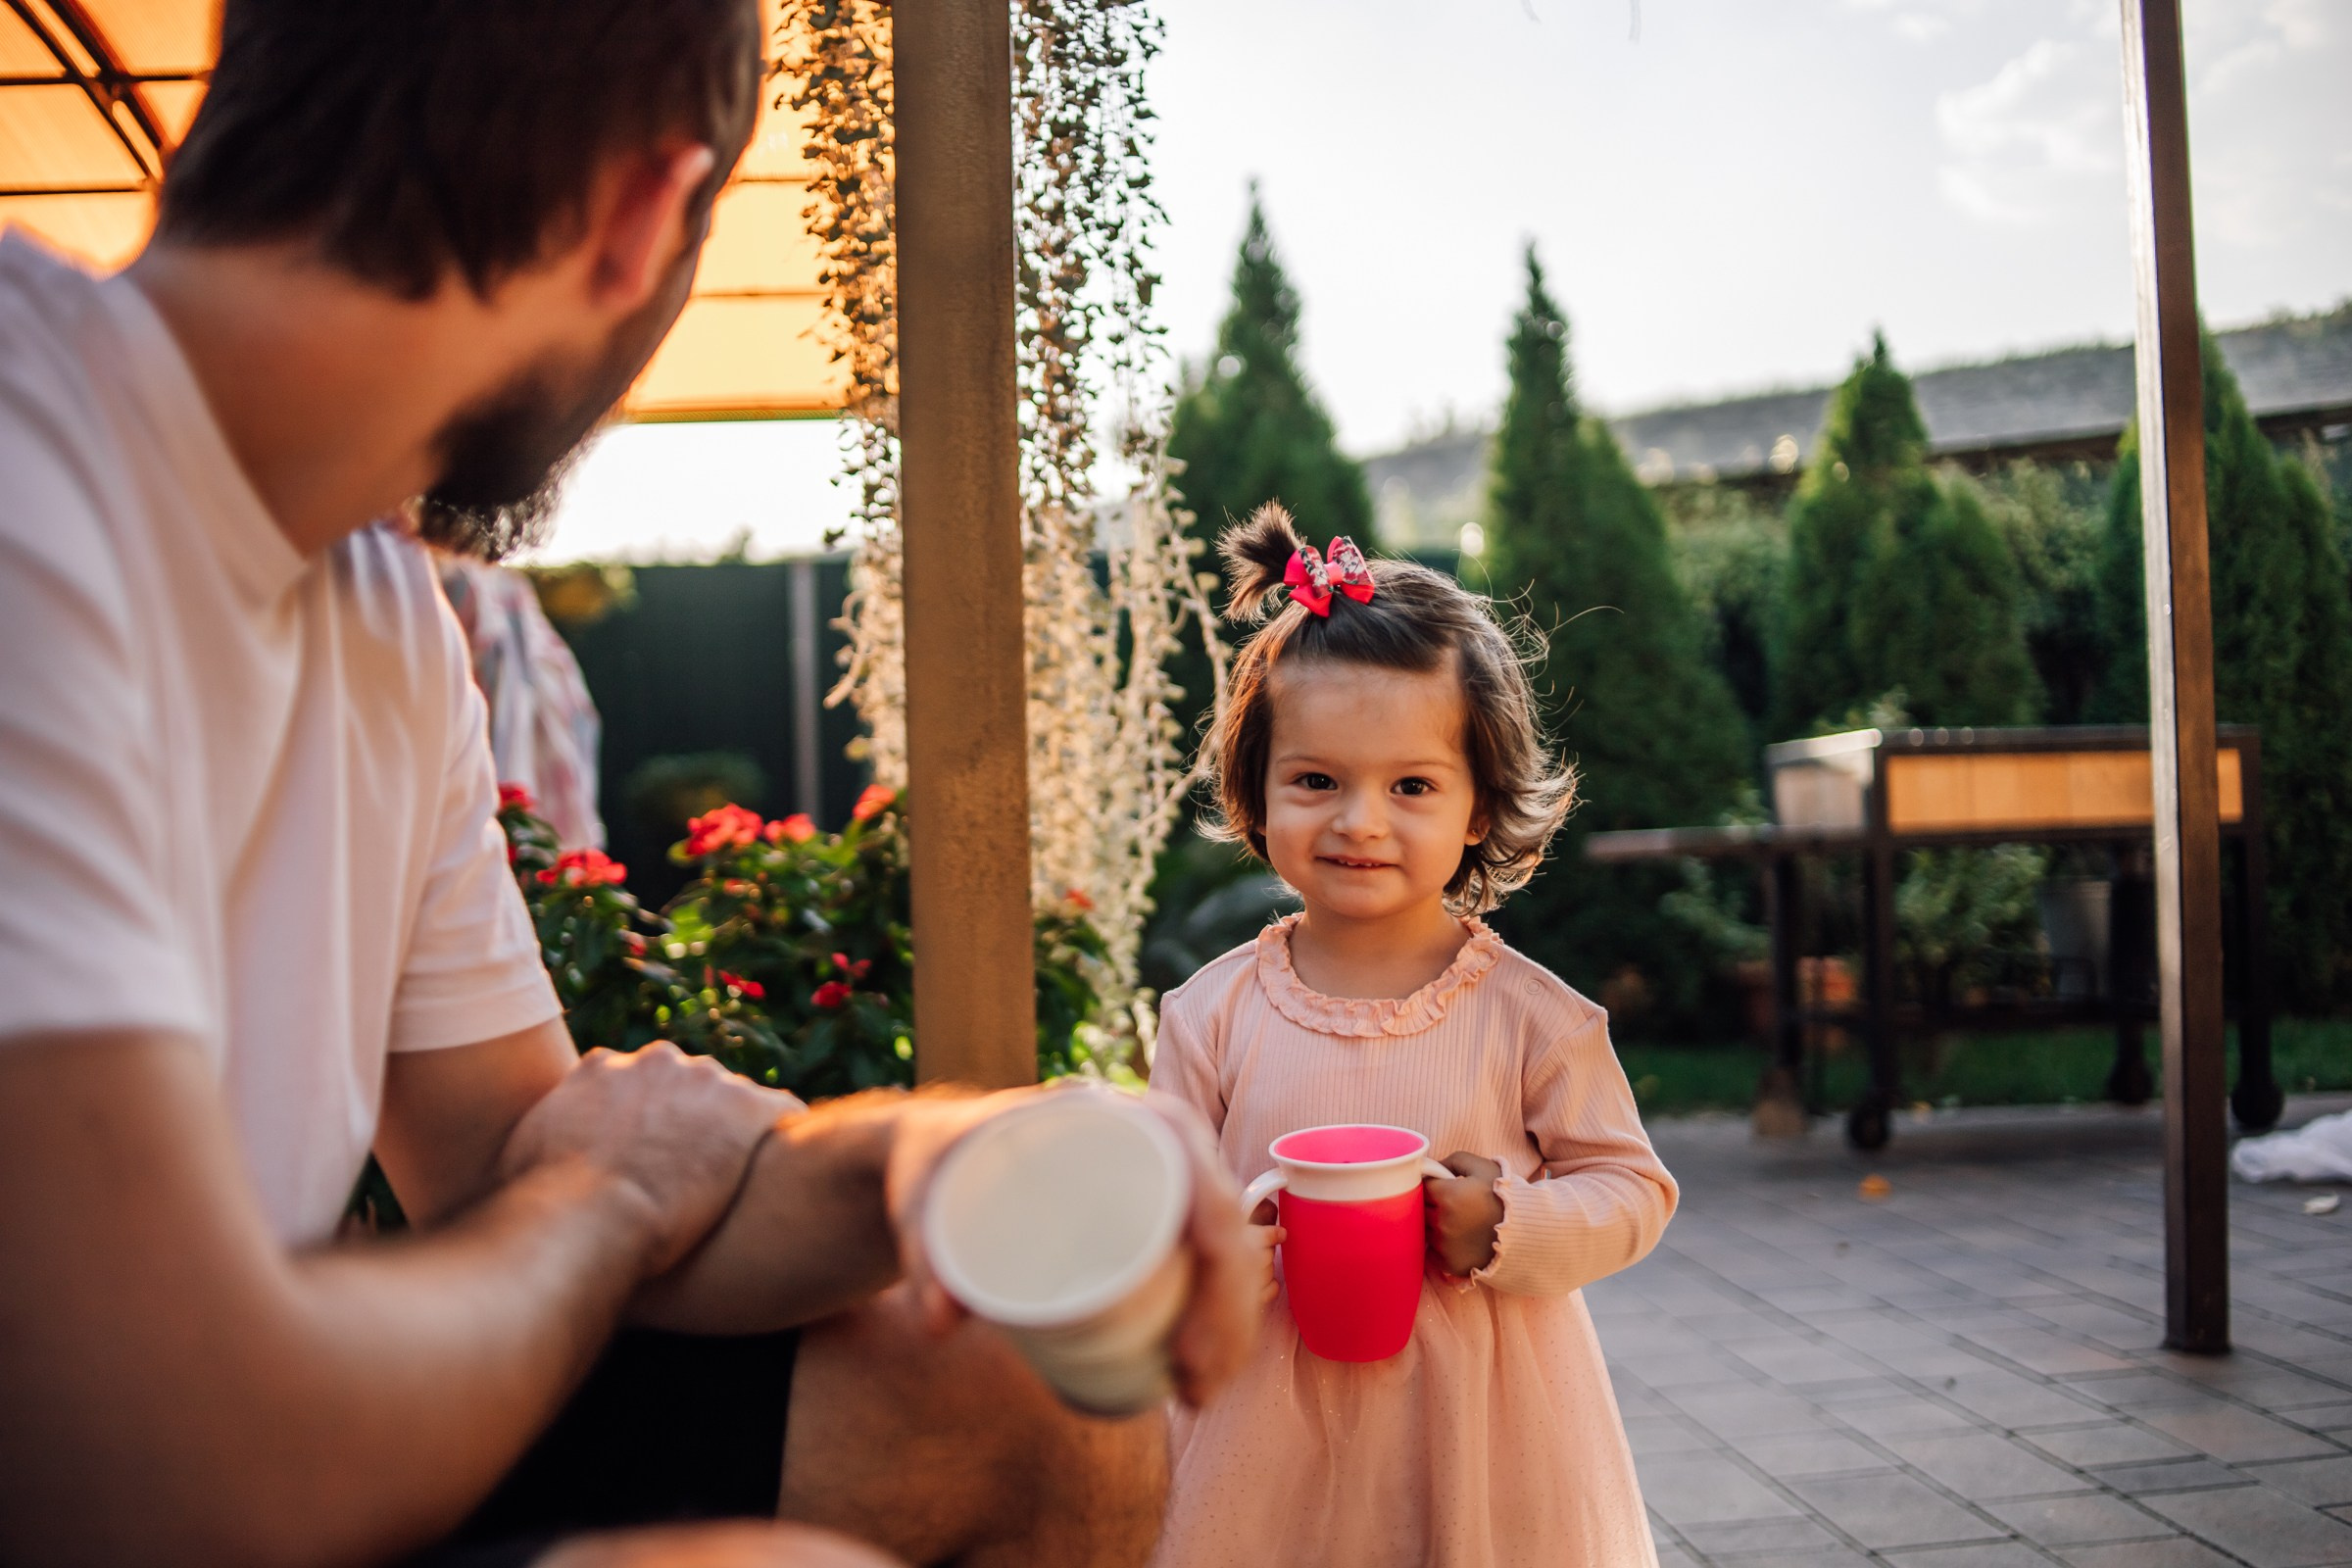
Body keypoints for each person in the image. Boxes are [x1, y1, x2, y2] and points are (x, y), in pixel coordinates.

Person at [0, 5, 1258, 1566]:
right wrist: (594, 1210)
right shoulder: (26, 447)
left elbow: (512, 1154)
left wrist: (931, 1158)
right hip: (164, 1462)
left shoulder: (385, 628)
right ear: (645, 215)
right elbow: (157, 1446)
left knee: (1029, 1392)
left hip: (242, 1433)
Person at [1145, 507, 1682, 1568]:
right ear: (1256, 786)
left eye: (1411, 786)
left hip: (1486, 1434)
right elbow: (1161, 1204)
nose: (1360, 822)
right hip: (1267, 1436)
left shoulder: (1532, 1016)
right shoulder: (1208, 1015)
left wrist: (1510, 1224)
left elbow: (1633, 1190)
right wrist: (1203, 1259)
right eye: (1316, 780)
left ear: (1480, 805)